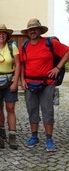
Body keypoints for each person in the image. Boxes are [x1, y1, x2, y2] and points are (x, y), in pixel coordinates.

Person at [19, 18, 69, 152]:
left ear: (40, 30)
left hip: (47, 83)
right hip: (29, 84)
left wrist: (58, 68)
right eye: (30, 29)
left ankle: (49, 139)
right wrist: (22, 80)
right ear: (28, 32)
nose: (32, 31)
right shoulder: (24, 46)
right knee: (32, 110)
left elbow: (67, 52)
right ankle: (34, 136)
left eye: (35, 29)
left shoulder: (50, 42)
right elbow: (22, 64)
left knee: (47, 111)